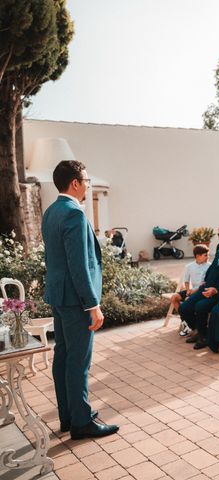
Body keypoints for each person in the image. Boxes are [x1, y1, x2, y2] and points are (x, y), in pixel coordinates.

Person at [42, 160, 118, 439]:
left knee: (62, 357)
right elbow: (78, 264)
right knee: (78, 361)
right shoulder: (73, 214)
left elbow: (53, 259)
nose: (88, 185)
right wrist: (92, 304)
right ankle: (81, 423)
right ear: (75, 182)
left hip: (59, 297)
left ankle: (69, 415)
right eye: (86, 180)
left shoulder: (51, 212)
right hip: (76, 301)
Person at [180, 234, 219, 349]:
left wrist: (216, 290)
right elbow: (212, 268)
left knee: (200, 306)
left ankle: (204, 337)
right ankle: (199, 331)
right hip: (206, 286)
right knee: (184, 307)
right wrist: (205, 281)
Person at [172, 245, 212, 336]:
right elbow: (186, 280)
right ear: (198, 256)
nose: (208, 257)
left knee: (187, 302)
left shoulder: (210, 266)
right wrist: (187, 290)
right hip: (192, 290)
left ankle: (192, 326)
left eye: (208, 255)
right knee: (174, 298)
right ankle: (186, 322)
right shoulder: (189, 266)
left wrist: (192, 293)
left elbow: (206, 283)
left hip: (202, 291)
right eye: (205, 255)